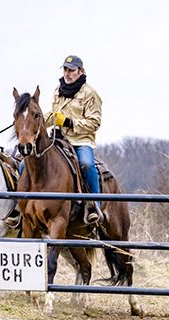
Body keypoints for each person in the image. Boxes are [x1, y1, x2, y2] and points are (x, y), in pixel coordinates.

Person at [47, 55, 103, 224]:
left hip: (81, 141)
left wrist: (69, 123)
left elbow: (95, 122)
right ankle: (20, 205)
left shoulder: (90, 94)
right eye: (65, 69)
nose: (67, 73)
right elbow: (53, 115)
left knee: (86, 164)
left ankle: (94, 205)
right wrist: (32, 122)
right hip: (58, 139)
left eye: (71, 70)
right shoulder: (58, 90)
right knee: (25, 163)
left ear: (81, 71)